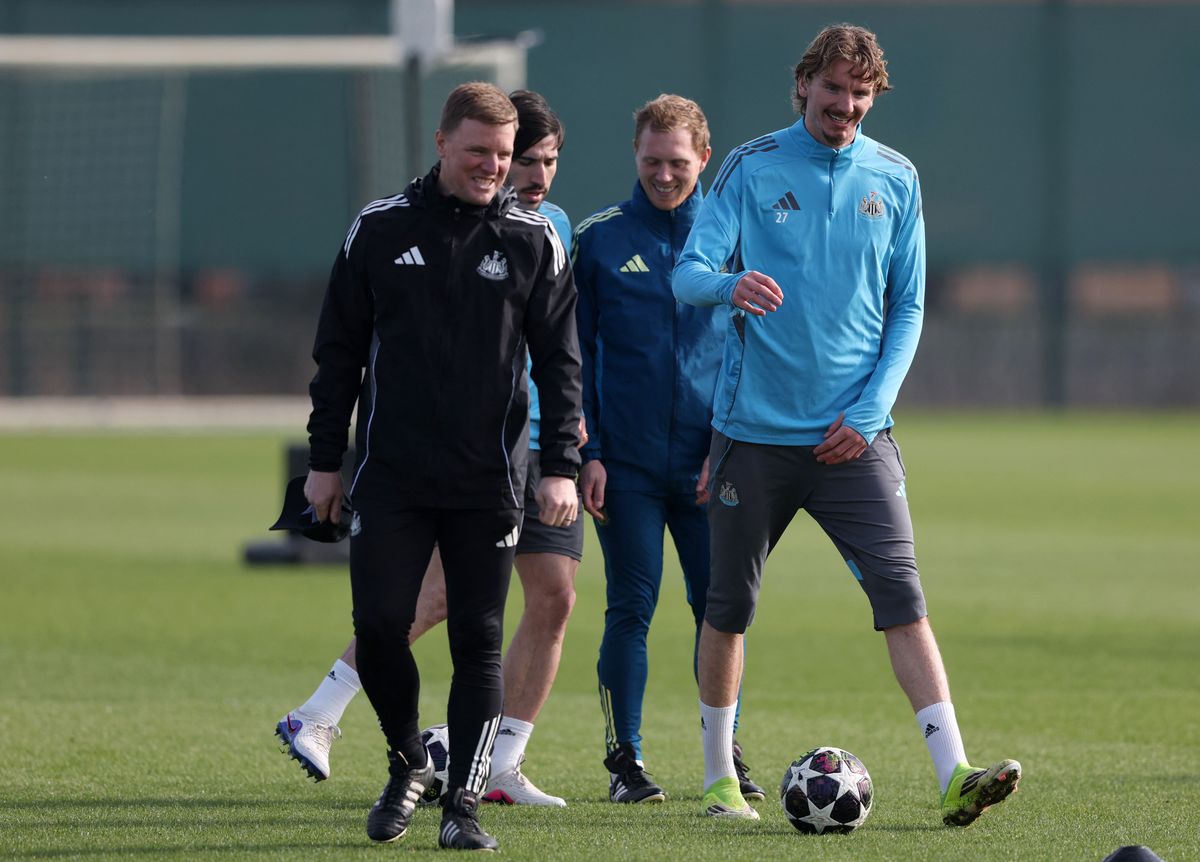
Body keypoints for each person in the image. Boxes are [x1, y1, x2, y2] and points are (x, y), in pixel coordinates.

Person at [672, 24, 1021, 824]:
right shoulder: (751, 168)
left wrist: (867, 414)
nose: (846, 107)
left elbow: (910, 308)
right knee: (727, 608)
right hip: (752, 436)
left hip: (855, 440)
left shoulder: (896, 177)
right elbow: (690, 272)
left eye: (861, 95)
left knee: (904, 598)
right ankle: (722, 779)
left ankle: (954, 773)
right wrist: (730, 288)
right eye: (834, 91)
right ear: (804, 86)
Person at [275, 89, 582, 809]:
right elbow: (339, 353)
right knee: (382, 625)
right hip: (392, 472)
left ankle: (465, 806)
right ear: (442, 142)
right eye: (479, 151)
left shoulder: (534, 239)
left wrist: (561, 464)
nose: (493, 168)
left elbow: (562, 363)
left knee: (478, 638)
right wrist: (324, 463)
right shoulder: (379, 229)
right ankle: (408, 755)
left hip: (489, 479)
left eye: (504, 157)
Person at [572, 94, 763, 805]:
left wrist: (731, 446)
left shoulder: (737, 238)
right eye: (651, 161)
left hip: (716, 465)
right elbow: (574, 357)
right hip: (624, 467)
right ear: (635, 155)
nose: (663, 174)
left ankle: (724, 758)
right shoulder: (599, 239)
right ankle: (627, 764)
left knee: (724, 612)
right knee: (632, 605)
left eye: (677, 163)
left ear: (704, 159)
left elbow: (756, 352)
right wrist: (584, 450)